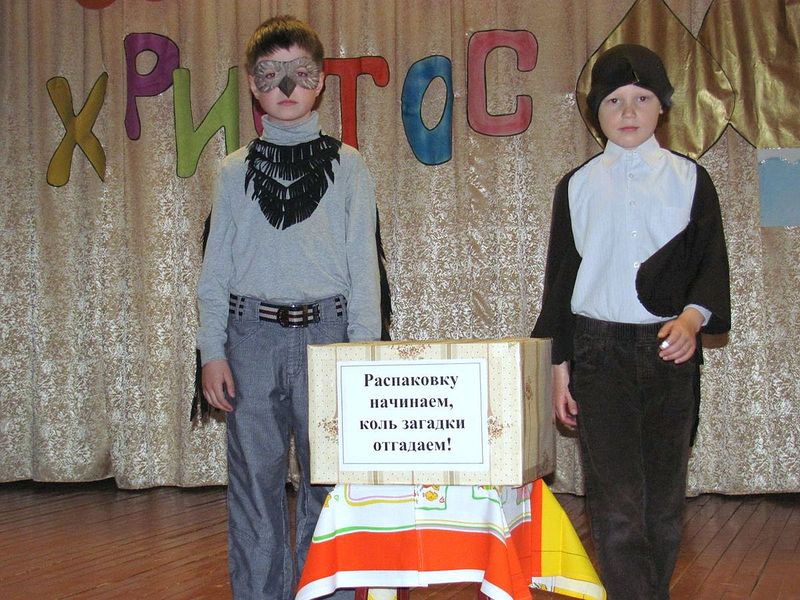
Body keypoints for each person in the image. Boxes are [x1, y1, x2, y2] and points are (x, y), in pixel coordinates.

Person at [531, 44, 730, 600]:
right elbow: (560, 280)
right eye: (613, 100)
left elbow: (710, 263)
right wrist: (559, 365)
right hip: (598, 353)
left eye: (641, 99)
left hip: (669, 352)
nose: (627, 111)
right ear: (595, 111)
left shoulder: (690, 179)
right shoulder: (576, 186)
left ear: (662, 106)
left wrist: (691, 320)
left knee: (662, 502)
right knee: (615, 502)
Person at [196, 15, 381, 600]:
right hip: (250, 339)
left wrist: (362, 356)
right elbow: (214, 271)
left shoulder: (350, 166)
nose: (284, 86)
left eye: (298, 72)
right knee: (255, 485)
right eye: (269, 74)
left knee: (331, 484)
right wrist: (211, 350)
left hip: (328, 336)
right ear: (253, 86)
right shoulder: (232, 172)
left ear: (320, 81)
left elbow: (364, 269)